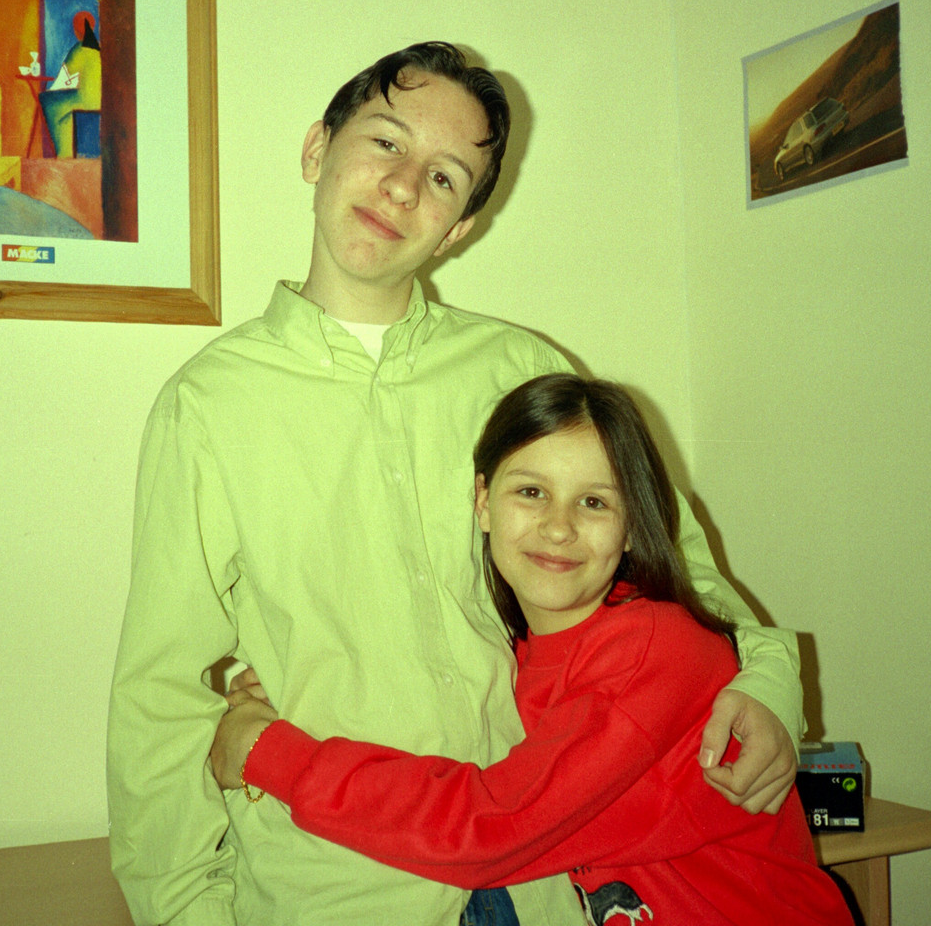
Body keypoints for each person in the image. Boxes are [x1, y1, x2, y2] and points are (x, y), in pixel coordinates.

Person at [107, 42, 804, 926]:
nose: (404, 186)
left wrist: (771, 688)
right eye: (386, 142)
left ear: (460, 228)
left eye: (444, 178)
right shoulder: (208, 405)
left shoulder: (523, 370)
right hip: (338, 888)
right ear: (318, 149)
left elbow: (683, 579)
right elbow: (160, 695)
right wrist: (185, 914)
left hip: (553, 880)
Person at [211, 374, 853, 926]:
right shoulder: (516, 652)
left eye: (594, 502)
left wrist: (267, 753)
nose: (558, 526)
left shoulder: (655, 649)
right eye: (531, 492)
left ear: (634, 527)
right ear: (483, 503)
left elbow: (489, 829)